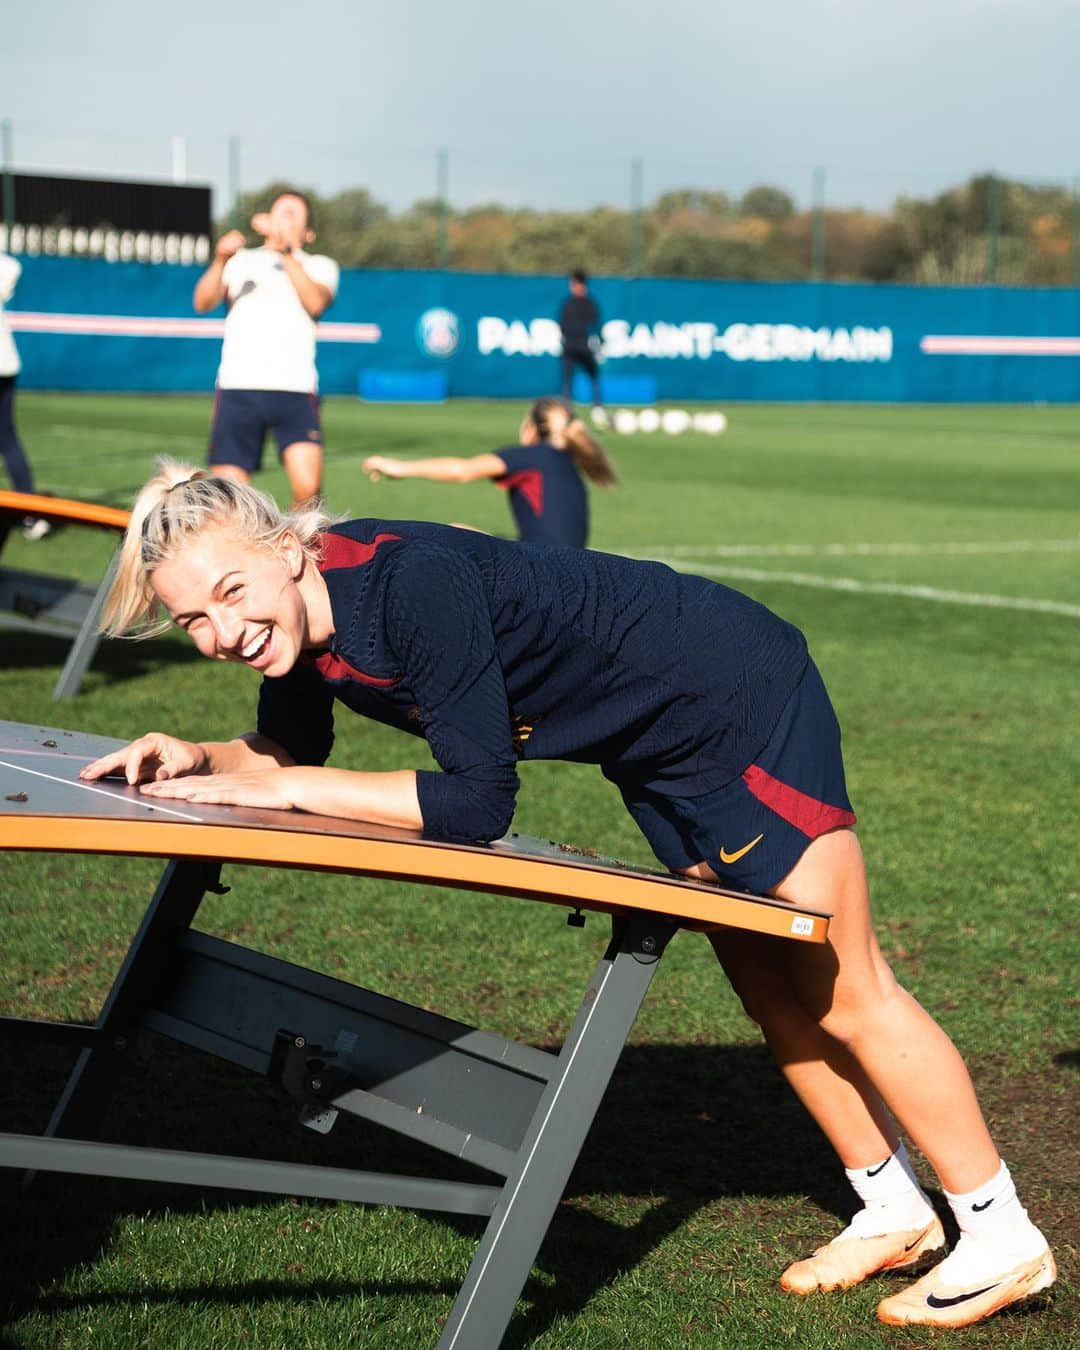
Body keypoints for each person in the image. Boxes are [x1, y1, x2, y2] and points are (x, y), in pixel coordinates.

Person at [83, 462, 1056, 1331]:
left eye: (231, 593)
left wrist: (283, 786)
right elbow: (291, 755)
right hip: (652, 743)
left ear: (292, 550)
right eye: (192, 619)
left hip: (735, 698)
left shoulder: (410, 586)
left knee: (848, 988)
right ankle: (890, 1207)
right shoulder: (299, 629)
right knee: (768, 987)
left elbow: (474, 801)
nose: (221, 632)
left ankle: (999, 1230)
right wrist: (199, 756)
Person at [193, 190, 339, 507]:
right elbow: (202, 302)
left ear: (308, 232)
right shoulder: (242, 260)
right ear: (267, 220)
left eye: (294, 214)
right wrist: (220, 259)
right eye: (280, 212)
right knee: (229, 494)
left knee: (308, 490)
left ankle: (299, 551)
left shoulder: (319, 266)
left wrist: (286, 253)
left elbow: (315, 302)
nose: (285, 219)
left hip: (295, 388)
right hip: (239, 386)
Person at [361, 397, 616, 548]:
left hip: (544, 571)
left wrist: (401, 468)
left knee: (452, 534)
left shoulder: (532, 457)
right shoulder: (569, 464)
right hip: (572, 571)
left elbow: (462, 471)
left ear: (531, 430)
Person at [0, 251, 50, 539]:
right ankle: (31, 514)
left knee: (6, 437)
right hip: (6, 362)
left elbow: (10, 267)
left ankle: (30, 512)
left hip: (5, 363)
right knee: (7, 437)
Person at [558, 270, 604, 420]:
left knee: (594, 377)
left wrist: (597, 344)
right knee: (567, 380)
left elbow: (596, 327)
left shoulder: (590, 304)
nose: (573, 287)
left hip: (586, 348)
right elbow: (562, 326)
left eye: (575, 284)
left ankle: (597, 409)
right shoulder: (568, 304)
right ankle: (566, 411)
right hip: (570, 348)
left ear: (582, 285)